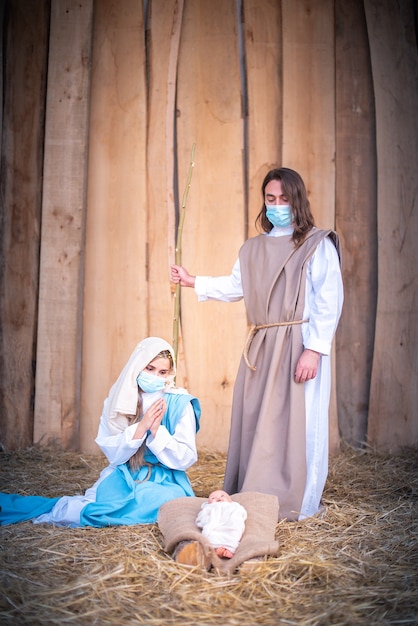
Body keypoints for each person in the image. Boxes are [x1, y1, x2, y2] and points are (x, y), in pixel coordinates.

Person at [170, 167, 343, 521]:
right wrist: (193, 281)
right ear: (264, 203)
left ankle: (303, 503)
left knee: (301, 421)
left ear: (298, 200)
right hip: (263, 344)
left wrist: (314, 349)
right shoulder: (253, 249)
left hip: (300, 341)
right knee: (259, 421)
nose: (277, 205)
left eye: (284, 198)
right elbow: (237, 287)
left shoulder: (316, 244)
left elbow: (329, 298)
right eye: (270, 199)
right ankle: (256, 494)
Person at [0, 337, 201, 527]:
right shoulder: (119, 399)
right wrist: (140, 428)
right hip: (126, 473)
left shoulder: (180, 404)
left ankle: (96, 511)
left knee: (169, 502)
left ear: (169, 374)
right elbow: (113, 453)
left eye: (162, 372)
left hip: (167, 478)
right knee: (118, 502)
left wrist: (158, 432)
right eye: (150, 368)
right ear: (137, 366)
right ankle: (74, 511)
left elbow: (187, 458)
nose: (156, 376)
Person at [195, 489, 247, 558]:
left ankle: (230, 549)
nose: (218, 498)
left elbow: (241, 514)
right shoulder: (208, 508)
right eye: (213, 498)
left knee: (234, 533)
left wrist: (235, 518)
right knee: (212, 535)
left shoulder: (234, 506)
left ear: (230, 500)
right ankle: (215, 549)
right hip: (215, 526)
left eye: (222, 496)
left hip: (229, 525)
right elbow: (201, 519)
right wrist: (208, 521)